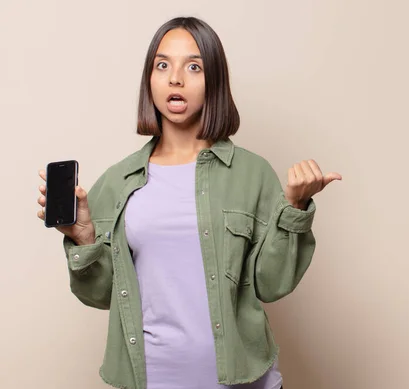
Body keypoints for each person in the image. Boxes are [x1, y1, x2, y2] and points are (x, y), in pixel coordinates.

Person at [36, 16, 341, 389]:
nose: (175, 78)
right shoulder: (117, 182)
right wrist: (84, 239)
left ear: (214, 82)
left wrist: (294, 209)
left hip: (244, 380)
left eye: (193, 66)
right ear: (149, 80)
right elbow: (99, 295)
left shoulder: (252, 173)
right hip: (152, 379)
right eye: (162, 65)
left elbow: (271, 283)